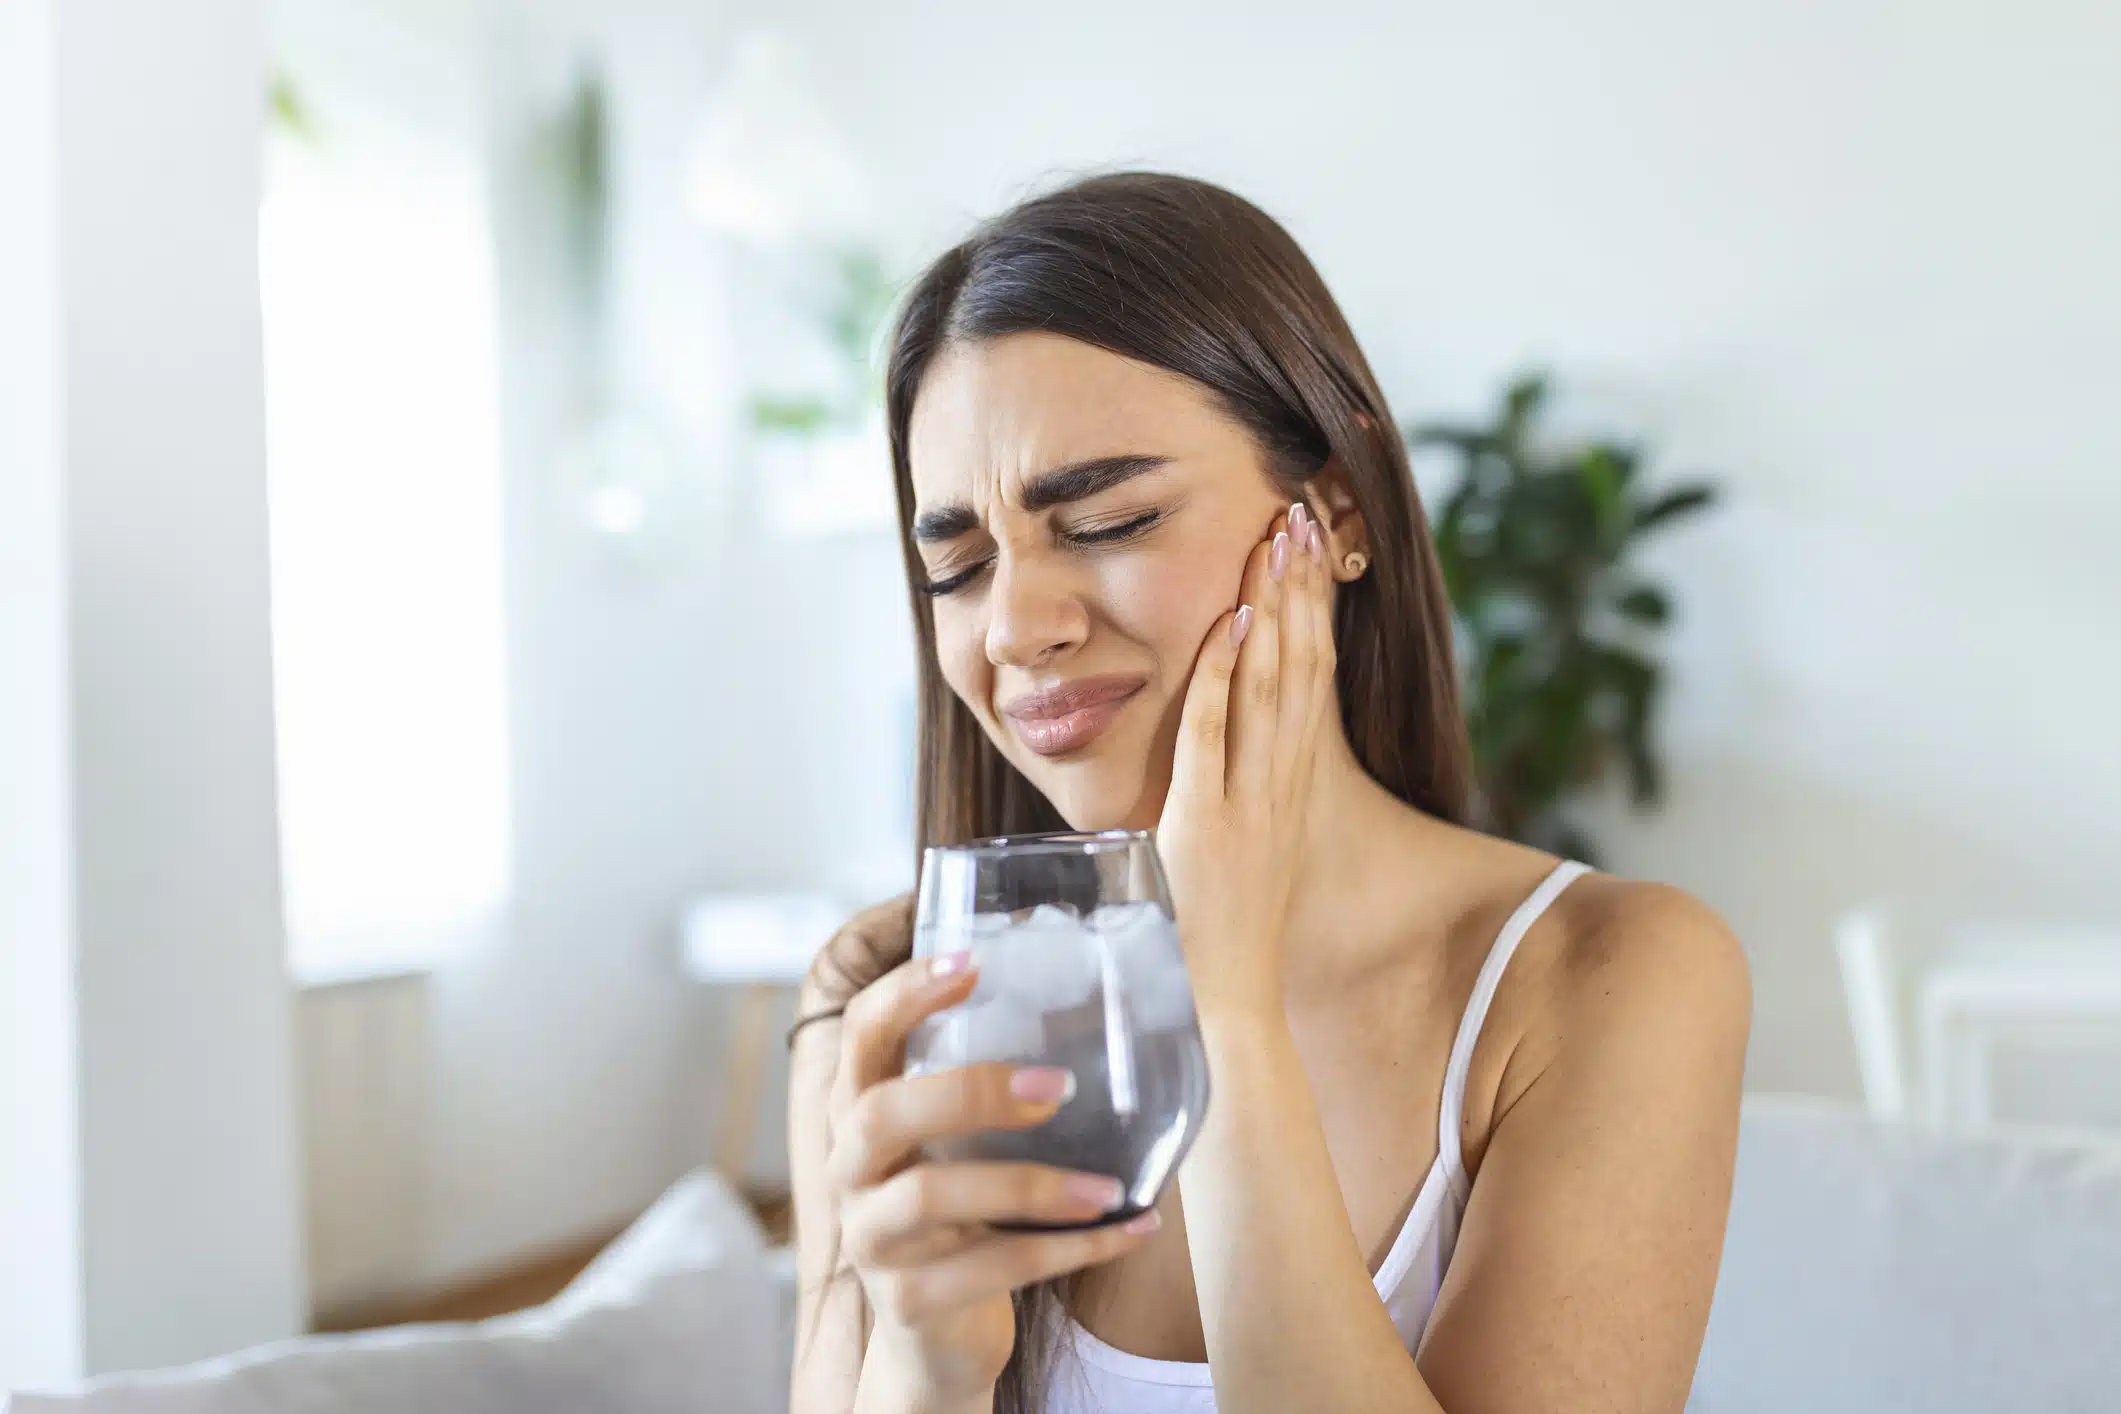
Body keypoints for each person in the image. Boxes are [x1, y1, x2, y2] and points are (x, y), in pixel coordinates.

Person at [787, 171, 1749, 1414]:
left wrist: (1223, 1005)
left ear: (1336, 509)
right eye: (959, 565)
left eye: (1107, 519)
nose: (1016, 628)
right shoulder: (881, 989)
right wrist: (923, 1362)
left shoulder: (1612, 977)